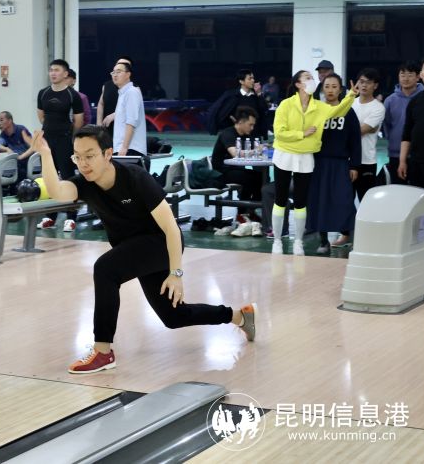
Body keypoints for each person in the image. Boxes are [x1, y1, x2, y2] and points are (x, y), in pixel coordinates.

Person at [29, 125, 256, 374]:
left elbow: (171, 228)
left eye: (90, 156)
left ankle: (103, 352)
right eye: (78, 157)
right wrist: (46, 155)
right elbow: (57, 191)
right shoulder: (85, 183)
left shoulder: (135, 178)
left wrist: (176, 273)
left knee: (105, 270)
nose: (83, 163)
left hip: (160, 243)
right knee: (174, 317)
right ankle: (239, 316)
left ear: (108, 153)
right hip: (134, 249)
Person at [270, 70, 358, 256]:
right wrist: (302, 134)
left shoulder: (319, 107)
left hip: (306, 157)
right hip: (285, 156)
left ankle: (298, 242)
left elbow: (338, 111)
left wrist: (351, 95)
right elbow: (279, 132)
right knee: (280, 199)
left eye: (312, 78)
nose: (312, 80)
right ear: (298, 84)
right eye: (307, 78)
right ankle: (277, 241)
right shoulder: (286, 105)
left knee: (302, 202)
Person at [307, 74, 362, 253]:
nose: (330, 90)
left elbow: (355, 141)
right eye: (327, 86)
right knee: (320, 202)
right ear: (322, 89)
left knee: (343, 201)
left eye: (334, 86)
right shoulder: (316, 110)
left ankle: (351, 237)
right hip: (318, 163)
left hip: (340, 164)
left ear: (340, 89)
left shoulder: (348, 112)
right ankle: (323, 241)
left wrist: (354, 165)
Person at [36, 59, 84, 232]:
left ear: (65, 74)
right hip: (47, 141)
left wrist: (70, 137)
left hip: (65, 140)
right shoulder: (43, 93)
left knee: (68, 178)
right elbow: (41, 117)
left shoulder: (72, 95)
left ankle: (71, 218)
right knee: (49, 178)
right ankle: (50, 216)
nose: (53, 73)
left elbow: (78, 121)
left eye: (57, 70)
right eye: (51, 70)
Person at [211, 106, 262, 207]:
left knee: (261, 177)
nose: (252, 128)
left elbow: (256, 150)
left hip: (236, 170)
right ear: (241, 122)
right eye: (250, 125)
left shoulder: (247, 135)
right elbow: (235, 153)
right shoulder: (227, 134)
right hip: (221, 173)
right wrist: (255, 150)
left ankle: (251, 209)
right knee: (252, 179)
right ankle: (244, 210)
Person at [382, 62, 422, 185]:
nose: (406, 78)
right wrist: (393, 139)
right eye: (402, 74)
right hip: (395, 153)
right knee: (398, 189)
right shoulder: (390, 100)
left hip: (420, 154)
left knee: (420, 190)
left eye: (410, 75)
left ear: (418, 77)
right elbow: (386, 124)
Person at [352, 68, 386, 202]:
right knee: (345, 201)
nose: (364, 85)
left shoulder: (378, 108)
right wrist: (365, 128)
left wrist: (361, 129)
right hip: (348, 160)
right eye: (361, 81)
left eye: (368, 82)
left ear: (375, 85)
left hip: (366, 161)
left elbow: (359, 131)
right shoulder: (350, 103)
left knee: (366, 201)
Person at [206, 68, 269, 140]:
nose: (253, 80)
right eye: (249, 78)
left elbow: (264, 110)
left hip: (254, 135)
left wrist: (259, 94)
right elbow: (220, 112)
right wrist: (232, 123)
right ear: (241, 81)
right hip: (236, 135)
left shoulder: (256, 96)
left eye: (253, 78)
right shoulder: (232, 95)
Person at [399, 55, 424, 190]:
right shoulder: (415, 101)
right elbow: (406, 135)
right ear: (421, 75)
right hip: (417, 162)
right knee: (418, 199)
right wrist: (402, 161)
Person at [111, 62, 146, 157]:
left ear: (128, 74)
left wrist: (124, 147)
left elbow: (131, 121)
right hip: (123, 149)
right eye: (113, 72)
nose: (115, 75)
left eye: (118, 72)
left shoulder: (131, 92)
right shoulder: (123, 93)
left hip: (131, 149)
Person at [97, 55, 133, 137]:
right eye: (118, 64)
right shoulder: (107, 85)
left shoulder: (133, 89)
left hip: (124, 129)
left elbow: (132, 110)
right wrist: (99, 124)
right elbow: (101, 104)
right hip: (106, 127)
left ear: (128, 72)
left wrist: (115, 115)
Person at [0, 111, 33, 180]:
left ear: (10, 121)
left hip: (26, 164)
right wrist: (7, 149)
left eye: (1, 120)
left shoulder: (21, 130)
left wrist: (20, 157)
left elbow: (33, 147)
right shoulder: (3, 134)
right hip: (15, 166)